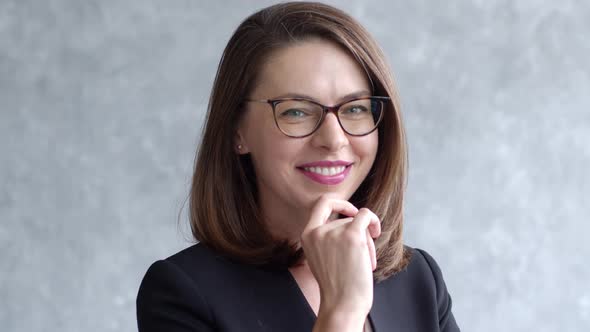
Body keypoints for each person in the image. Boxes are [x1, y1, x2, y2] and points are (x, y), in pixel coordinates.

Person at [136, 2, 460, 331]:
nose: (334, 139)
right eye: (296, 111)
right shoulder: (182, 294)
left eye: (356, 108)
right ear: (238, 130)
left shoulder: (419, 279)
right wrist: (341, 311)